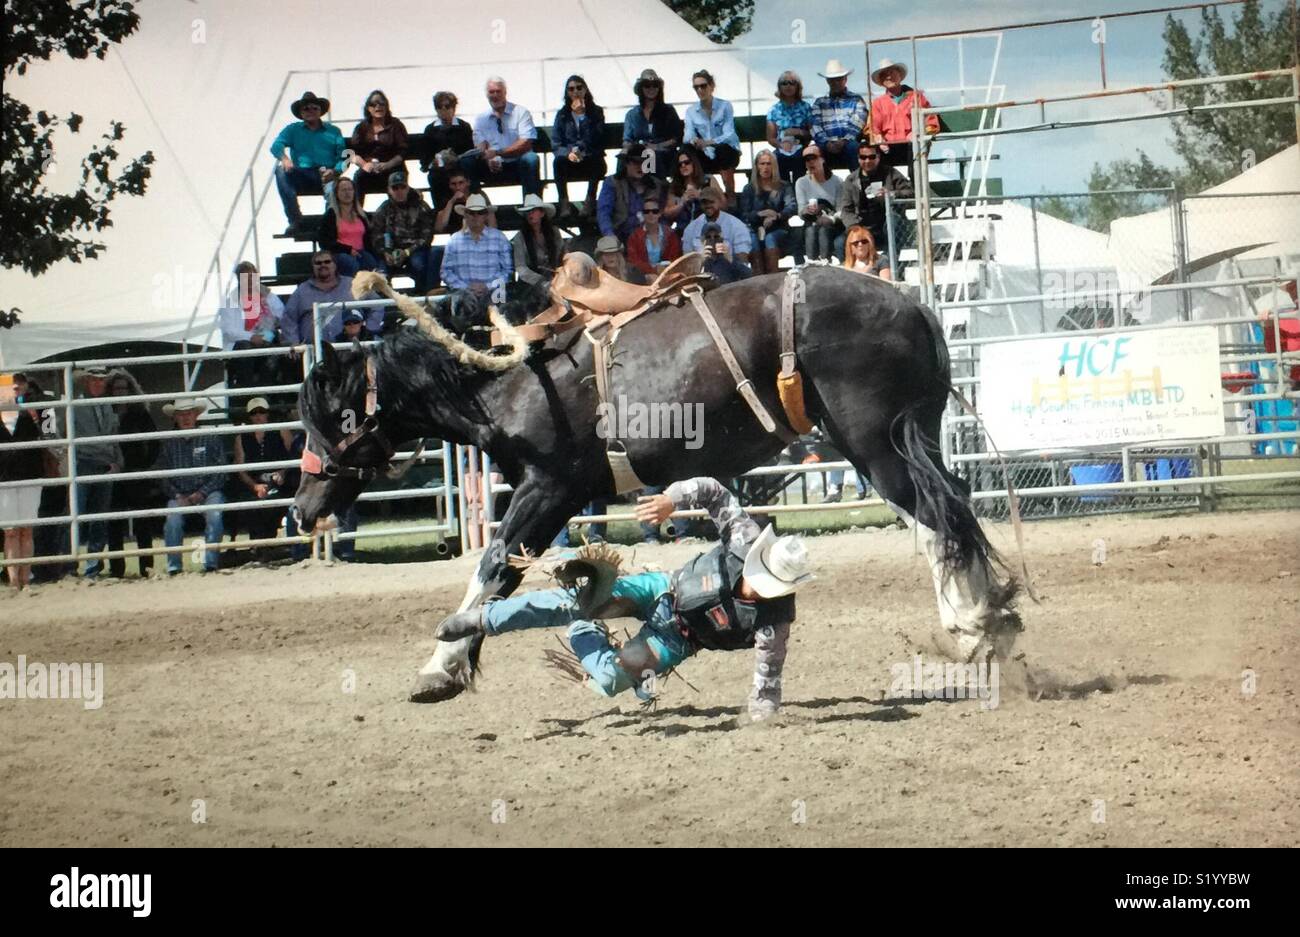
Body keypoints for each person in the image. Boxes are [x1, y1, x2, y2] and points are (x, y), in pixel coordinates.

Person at [436, 477, 812, 720]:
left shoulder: (773, 625)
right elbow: (714, 490)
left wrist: (764, 718)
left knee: (609, 678)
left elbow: (767, 683)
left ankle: (584, 628)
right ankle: (484, 619)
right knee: (572, 601)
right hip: (663, 588)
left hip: (677, 640)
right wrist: (670, 499)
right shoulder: (744, 538)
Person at [157, 398, 226, 575]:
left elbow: (221, 471)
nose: (186, 418)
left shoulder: (210, 438)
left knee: (215, 514)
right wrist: (177, 495)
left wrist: (201, 493)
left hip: (208, 491)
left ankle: (211, 563)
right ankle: (174, 566)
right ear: (175, 418)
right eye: (181, 415)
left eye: (189, 414)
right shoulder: (168, 443)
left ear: (196, 415)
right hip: (179, 494)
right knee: (172, 519)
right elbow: (162, 476)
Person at [105, 370, 161, 578]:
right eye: (116, 388)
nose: (120, 392)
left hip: (136, 472)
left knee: (142, 523)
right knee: (114, 524)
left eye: (124, 388)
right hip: (112, 473)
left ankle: (146, 567)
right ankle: (117, 569)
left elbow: (155, 442)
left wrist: (146, 465)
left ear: (131, 389)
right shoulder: (105, 411)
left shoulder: (140, 413)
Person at [270, 91, 346, 232]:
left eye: (314, 108)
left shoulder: (334, 131)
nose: (310, 111)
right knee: (280, 171)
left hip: (326, 174)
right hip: (302, 175)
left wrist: (335, 171)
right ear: (301, 112)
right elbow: (276, 146)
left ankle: (330, 224)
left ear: (320, 111)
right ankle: (295, 220)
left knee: (333, 187)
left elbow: (344, 156)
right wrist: (284, 158)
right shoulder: (292, 129)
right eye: (306, 108)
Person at [72, 366, 122, 578]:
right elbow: (66, 434)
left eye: (101, 381)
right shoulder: (74, 405)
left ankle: (92, 564)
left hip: (104, 464)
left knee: (98, 518)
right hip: (83, 462)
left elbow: (113, 436)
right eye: (94, 380)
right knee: (77, 515)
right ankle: (70, 565)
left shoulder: (107, 406)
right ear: (86, 381)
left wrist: (117, 461)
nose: (98, 384)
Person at [233, 397, 296, 554]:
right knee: (251, 504)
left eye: (262, 412)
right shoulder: (241, 438)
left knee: (274, 501)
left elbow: (292, 456)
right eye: (254, 413)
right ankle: (260, 545)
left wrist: (282, 472)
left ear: (267, 414)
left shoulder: (281, 430)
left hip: (278, 481)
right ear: (249, 416)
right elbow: (240, 468)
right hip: (252, 484)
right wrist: (254, 486)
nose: (258, 416)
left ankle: (265, 544)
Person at [281, 252, 383, 347]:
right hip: (313, 352)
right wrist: (294, 343)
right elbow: (289, 319)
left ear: (335, 265)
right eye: (318, 263)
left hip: (350, 350)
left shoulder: (352, 284)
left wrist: (370, 329)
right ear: (313, 267)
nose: (322, 265)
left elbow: (377, 304)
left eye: (327, 262)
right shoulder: (302, 291)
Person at [835, 139, 913, 263]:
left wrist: (891, 195)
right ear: (858, 158)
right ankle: (851, 274)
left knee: (894, 222)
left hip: (886, 223)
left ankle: (889, 267)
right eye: (863, 157)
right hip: (862, 226)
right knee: (839, 243)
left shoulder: (890, 173)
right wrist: (854, 227)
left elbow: (910, 193)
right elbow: (846, 209)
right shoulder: (851, 180)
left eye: (871, 157)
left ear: (878, 157)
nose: (867, 161)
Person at [1, 374, 45, 590]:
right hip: (4, 477)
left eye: (18, 385)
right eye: (10, 386)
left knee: (26, 529)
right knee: (10, 530)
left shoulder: (34, 411)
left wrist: (36, 417)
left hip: (30, 474)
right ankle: (13, 580)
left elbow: (47, 435)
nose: (15, 389)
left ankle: (26, 578)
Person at [465, 76, 541, 196]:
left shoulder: (520, 112)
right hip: (492, 166)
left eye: (498, 91)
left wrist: (498, 153)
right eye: (491, 92)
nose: (495, 95)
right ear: (486, 95)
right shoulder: (481, 119)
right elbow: (480, 145)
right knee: (468, 162)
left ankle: (533, 207)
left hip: (517, 164)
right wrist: (489, 158)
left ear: (505, 92)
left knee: (531, 159)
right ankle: (476, 206)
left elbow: (526, 143)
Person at [368, 170, 437, 293]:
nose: (399, 191)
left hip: (415, 250)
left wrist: (407, 251)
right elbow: (376, 234)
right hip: (390, 252)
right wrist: (385, 252)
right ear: (389, 190)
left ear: (408, 188)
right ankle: (386, 303)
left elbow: (426, 236)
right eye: (395, 188)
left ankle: (421, 296)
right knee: (380, 273)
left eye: (402, 187)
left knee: (419, 264)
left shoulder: (421, 206)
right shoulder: (383, 209)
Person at [867, 58, 940, 170]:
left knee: (917, 147)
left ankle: (915, 185)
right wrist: (878, 139)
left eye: (891, 72)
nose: (888, 76)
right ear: (881, 81)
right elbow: (872, 127)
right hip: (888, 148)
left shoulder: (917, 98)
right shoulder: (878, 103)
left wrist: (918, 133)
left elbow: (931, 122)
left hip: (913, 144)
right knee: (873, 154)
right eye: (884, 74)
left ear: (900, 75)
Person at [551, 75, 607, 218]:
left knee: (598, 162)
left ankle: (589, 201)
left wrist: (582, 116)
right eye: (571, 89)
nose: (575, 91)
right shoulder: (562, 115)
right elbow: (556, 143)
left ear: (585, 90)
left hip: (589, 156)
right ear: (567, 93)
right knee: (558, 162)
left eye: (579, 88)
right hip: (570, 159)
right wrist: (568, 153)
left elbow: (596, 138)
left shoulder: (596, 113)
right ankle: (564, 202)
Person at [440, 193, 513, 296]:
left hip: (494, 294)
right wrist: (465, 287)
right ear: (465, 214)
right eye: (471, 212)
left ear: (486, 215)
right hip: (463, 295)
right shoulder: (454, 240)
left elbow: (508, 271)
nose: (476, 216)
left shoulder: (499, 238)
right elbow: (445, 272)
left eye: (480, 212)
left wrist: (489, 286)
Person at [683, 69, 741, 199]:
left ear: (711, 86)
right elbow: (688, 135)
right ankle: (694, 195)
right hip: (705, 153)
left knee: (723, 150)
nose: (700, 90)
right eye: (696, 87)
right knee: (687, 150)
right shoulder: (691, 111)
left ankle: (730, 195)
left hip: (726, 152)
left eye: (703, 86)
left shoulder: (725, 106)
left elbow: (729, 134)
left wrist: (709, 142)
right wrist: (695, 141)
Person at [347, 89, 409, 205]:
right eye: (373, 104)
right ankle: (357, 216)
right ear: (368, 108)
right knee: (358, 177)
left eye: (382, 103)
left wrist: (388, 164)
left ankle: (398, 215)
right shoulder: (361, 128)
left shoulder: (395, 125)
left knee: (397, 179)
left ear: (387, 106)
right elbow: (352, 153)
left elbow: (403, 151)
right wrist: (364, 165)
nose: (378, 107)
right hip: (369, 168)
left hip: (392, 166)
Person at [596, 144, 668, 243]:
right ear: (627, 164)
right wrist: (609, 235)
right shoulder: (613, 183)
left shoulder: (657, 185)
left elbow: (663, 215)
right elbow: (603, 211)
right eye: (636, 163)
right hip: (620, 237)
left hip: (649, 239)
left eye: (644, 163)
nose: (641, 167)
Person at [740, 148, 795, 275]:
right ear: (757, 166)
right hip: (754, 229)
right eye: (762, 163)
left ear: (774, 166)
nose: (766, 167)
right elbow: (744, 214)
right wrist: (760, 214)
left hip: (779, 228)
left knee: (770, 238)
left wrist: (776, 216)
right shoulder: (749, 188)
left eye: (769, 163)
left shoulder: (784, 186)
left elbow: (791, 207)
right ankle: (758, 278)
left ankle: (772, 277)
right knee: (752, 240)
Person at [319, 176, 384, 278]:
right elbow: (325, 242)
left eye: (350, 189)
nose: (347, 193)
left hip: (361, 251)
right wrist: (348, 250)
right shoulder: (331, 215)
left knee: (372, 264)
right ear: (337, 193)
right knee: (351, 264)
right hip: (340, 253)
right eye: (343, 190)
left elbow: (369, 239)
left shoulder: (362, 215)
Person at [622, 69, 682, 179]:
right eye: (647, 85)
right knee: (624, 158)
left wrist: (657, 146)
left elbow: (676, 137)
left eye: (655, 85)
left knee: (652, 155)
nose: (651, 89)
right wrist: (628, 148)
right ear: (641, 89)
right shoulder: (632, 114)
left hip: (664, 153)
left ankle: (656, 190)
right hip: (640, 153)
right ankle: (622, 192)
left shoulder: (668, 111)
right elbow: (627, 139)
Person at [420, 91, 476, 208]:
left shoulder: (463, 127)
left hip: (460, 168)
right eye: (439, 107)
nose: (443, 110)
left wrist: (455, 158)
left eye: (447, 106)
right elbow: (425, 159)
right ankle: (441, 211)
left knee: (469, 173)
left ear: (454, 108)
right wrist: (434, 162)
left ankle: (474, 206)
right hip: (440, 170)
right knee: (434, 176)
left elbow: (470, 151)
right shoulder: (430, 130)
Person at [810, 59, 868, 171]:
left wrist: (844, 141)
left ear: (845, 79)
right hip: (826, 144)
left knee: (854, 148)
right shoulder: (819, 102)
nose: (835, 82)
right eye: (832, 80)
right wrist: (826, 143)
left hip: (848, 143)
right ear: (827, 81)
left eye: (839, 79)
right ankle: (817, 186)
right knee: (811, 153)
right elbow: (814, 126)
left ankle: (859, 184)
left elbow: (858, 123)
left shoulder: (856, 99)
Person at [681, 179, 752, 264]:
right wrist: (700, 258)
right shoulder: (690, 229)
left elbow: (743, 261)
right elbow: (687, 261)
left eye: (711, 202)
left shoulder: (737, 226)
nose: (708, 206)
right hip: (701, 272)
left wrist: (728, 257)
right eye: (704, 203)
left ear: (720, 202)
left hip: (729, 272)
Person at [794, 144, 843, 263]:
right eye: (807, 160)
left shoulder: (837, 181)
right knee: (809, 231)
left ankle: (825, 262)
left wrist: (831, 219)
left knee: (823, 230)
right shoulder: (801, 182)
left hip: (832, 224)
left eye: (813, 158)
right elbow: (801, 211)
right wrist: (806, 210)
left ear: (822, 159)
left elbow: (841, 210)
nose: (810, 162)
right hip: (811, 223)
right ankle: (811, 264)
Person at [766, 70, 813, 184]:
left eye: (792, 83)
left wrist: (799, 132)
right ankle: (785, 195)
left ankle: (799, 192)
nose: (788, 86)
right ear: (779, 86)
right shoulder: (774, 110)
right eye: (784, 83)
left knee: (800, 157)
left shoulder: (806, 107)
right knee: (776, 158)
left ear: (797, 86)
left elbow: (812, 132)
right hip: (782, 145)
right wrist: (781, 145)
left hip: (800, 145)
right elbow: (770, 138)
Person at [512, 194, 566, 288]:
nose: (530, 214)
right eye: (527, 212)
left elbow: (562, 255)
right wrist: (540, 281)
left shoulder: (554, 232)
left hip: (556, 280)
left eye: (533, 211)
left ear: (542, 213)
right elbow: (521, 267)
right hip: (529, 286)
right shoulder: (520, 237)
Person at [625, 197, 681, 278]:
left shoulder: (670, 234)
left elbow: (675, 258)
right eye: (646, 211)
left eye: (655, 211)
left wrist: (664, 269)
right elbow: (634, 261)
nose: (651, 214)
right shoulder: (634, 236)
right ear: (643, 214)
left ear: (660, 213)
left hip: (668, 275)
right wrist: (653, 270)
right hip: (642, 277)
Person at [434, 167, 496, 238]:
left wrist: (468, 200)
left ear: (468, 182)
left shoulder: (479, 195)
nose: (458, 187)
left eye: (461, 183)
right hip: (458, 240)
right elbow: (439, 227)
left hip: (481, 237)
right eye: (453, 184)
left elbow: (492, 223)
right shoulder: (447, 201)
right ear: (449, 186)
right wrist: (451, 202)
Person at [663, 146, 709, 238]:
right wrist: (682, 202)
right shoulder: (674, 187)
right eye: (680, 164)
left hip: (706, 231)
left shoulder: (709, 181)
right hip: (683, 232)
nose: (683, 166)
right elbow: (667, 213)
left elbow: (722, 204)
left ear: (694, 164)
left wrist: (700, 196)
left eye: (687, 162)